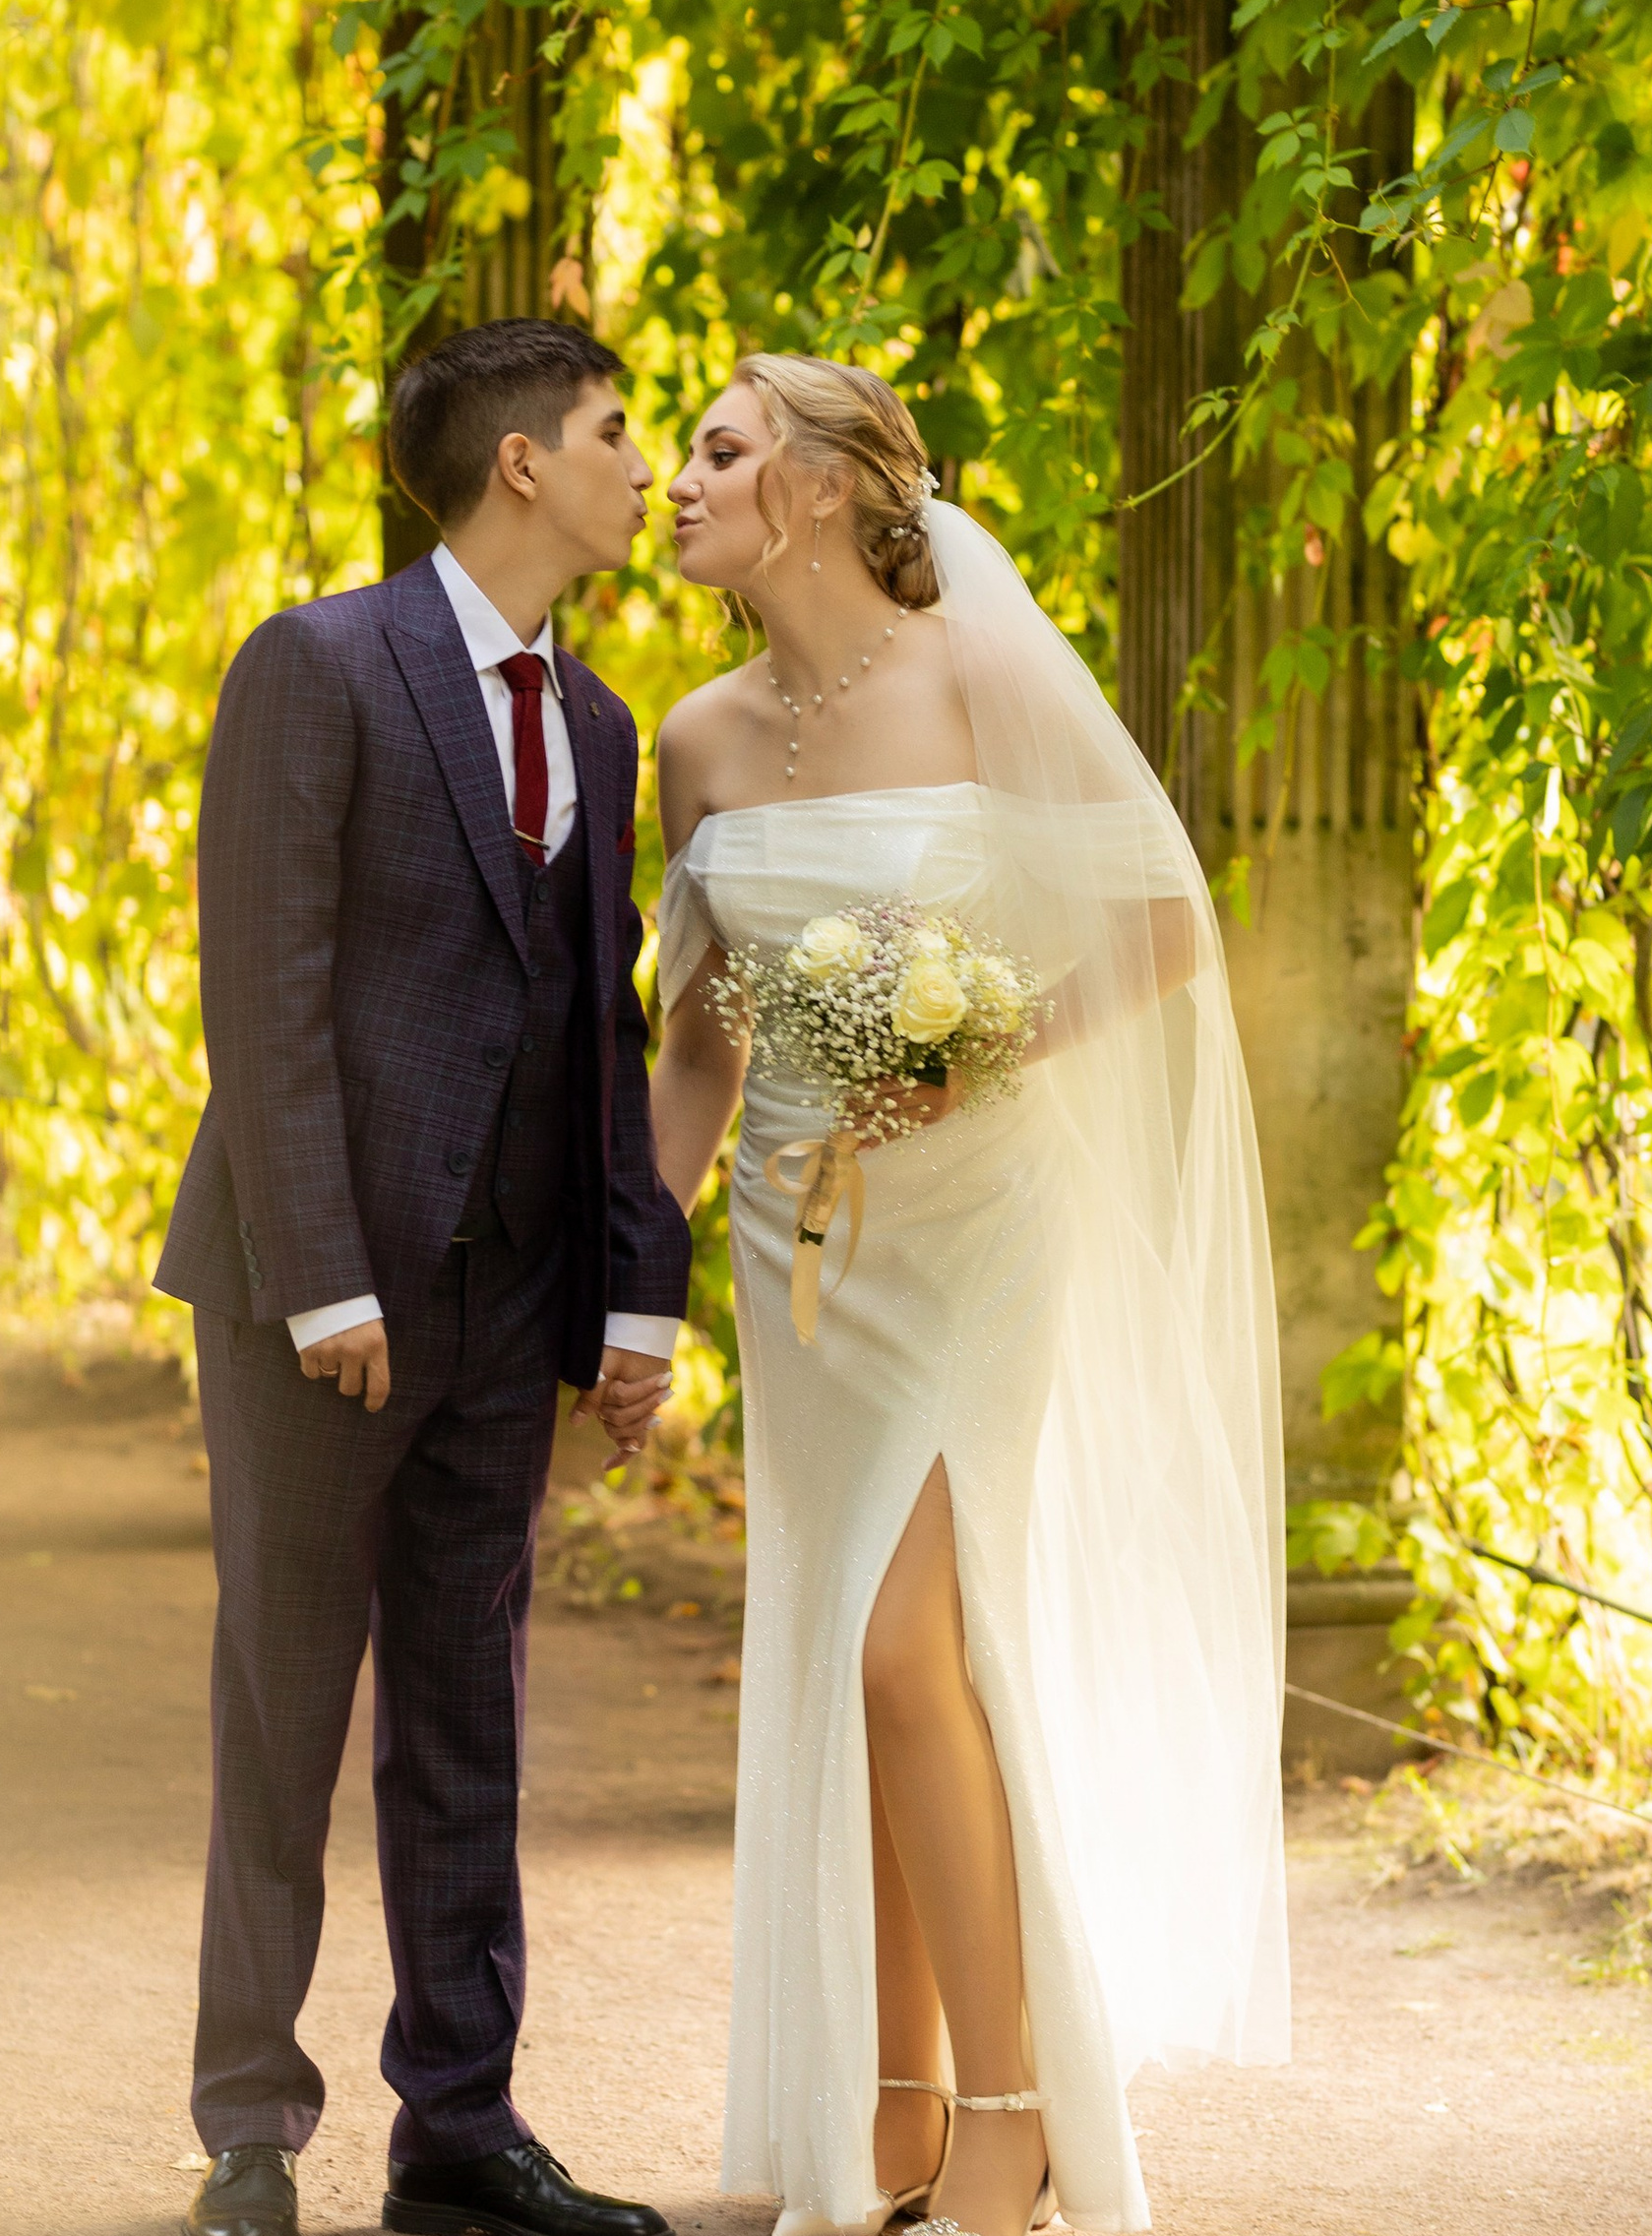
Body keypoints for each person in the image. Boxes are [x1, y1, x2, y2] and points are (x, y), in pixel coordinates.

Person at [641, 356, 1289, 2236]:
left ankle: (1020, 2109)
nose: (683, 483)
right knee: (854, 1648)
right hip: (799, 1249)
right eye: (679, 449)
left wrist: (983, 1047)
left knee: (912, 1645)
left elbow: (1167, 923)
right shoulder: (691, 737)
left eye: (720, 450)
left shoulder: (980, 677)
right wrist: (632, 1281)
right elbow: (700, 1042)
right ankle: (902, 2097)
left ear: (830, 489)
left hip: (983, 1214)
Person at [155, 318, 696, 2236]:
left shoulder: (604, 718)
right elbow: (265, 989)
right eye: (623, 431)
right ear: (523, 465)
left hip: (505, 1310)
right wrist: (321, 1277)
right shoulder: (318, 665)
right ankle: (246, 2126)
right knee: (283, 1707)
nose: (648, 466)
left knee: (467, 1724)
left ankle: (456, 2123)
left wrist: (636, 1294)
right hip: (319, 1309)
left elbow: (601, 1036)